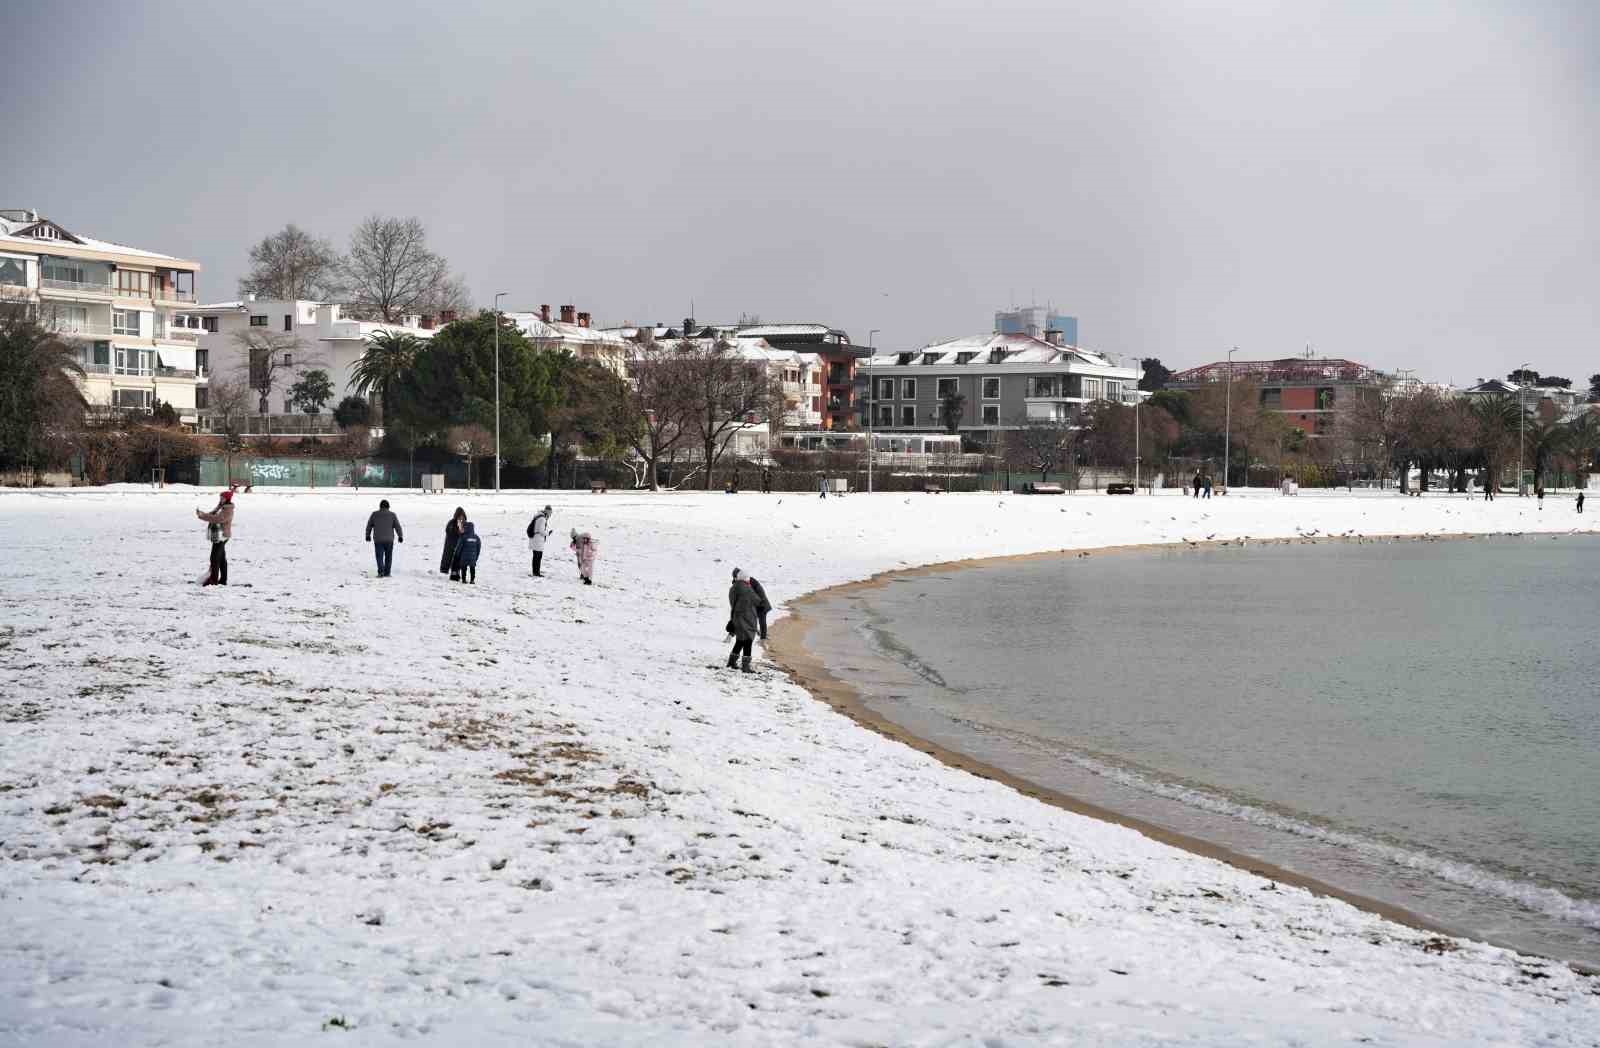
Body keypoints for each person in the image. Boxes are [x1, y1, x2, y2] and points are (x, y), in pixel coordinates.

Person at [196, 490, 235, 586]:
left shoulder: (228, 509)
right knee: (221, 558)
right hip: (218, 535)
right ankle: (223, 580)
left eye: (222, 498)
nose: (220, 499)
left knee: (214, 558)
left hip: (222, 536)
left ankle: (213, 580)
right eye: (220, 497)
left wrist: (203, 516)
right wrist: (202, 514)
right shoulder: (221, 507)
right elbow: (213, 514)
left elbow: (218, 519)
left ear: (227, 499)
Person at [726, 569, 760, 673]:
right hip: (747, 618)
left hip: (736, 617)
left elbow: (734, 603)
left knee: (740, 640)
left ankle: (731, 662)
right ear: (746, 578)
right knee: (748, 641)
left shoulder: (733, 588)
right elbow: (757, 600)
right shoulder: (747, 589)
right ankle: (746, 667)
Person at [365, 498, 404, 577]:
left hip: (378, 539)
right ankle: (387, 572)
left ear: (380, 506)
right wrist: (400, 536)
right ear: (388, 507)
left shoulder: (374, 514)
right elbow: (397, 526)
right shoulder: (392, 515)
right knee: (388, 557)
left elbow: (369, 526)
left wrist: (367, 535)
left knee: (379, 556)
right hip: (389, 540)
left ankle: (381, 572)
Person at [735, 568, 772, 641]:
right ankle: (761, 635)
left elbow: (756, 594)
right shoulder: (745, 581)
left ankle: (763, 638)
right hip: (757, 604)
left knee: (761, 620)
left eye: (735, 577)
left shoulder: (750, 582)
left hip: (761, 604)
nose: (735, 579)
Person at [441, 506, 467, 581]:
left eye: (462, 516)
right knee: (452, 558)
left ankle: (457, 573)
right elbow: (448, 531)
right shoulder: (452, 522)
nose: (461, 518)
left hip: (461, 544)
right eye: (459, 516)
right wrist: (457, 532)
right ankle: (454, 573)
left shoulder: (465, 523)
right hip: (452, 544)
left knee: (459, 559)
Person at [526, 504, 553, 576]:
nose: (550, 514)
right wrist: (547, 533)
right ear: (548, 511)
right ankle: (536, 573)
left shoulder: (538, 516)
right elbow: (541, 530)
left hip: (535, 539)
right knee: (538, 556)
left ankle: (535, 572)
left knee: (535, 556)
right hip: (538, 540)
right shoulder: (542, 518)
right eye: (550, 512)